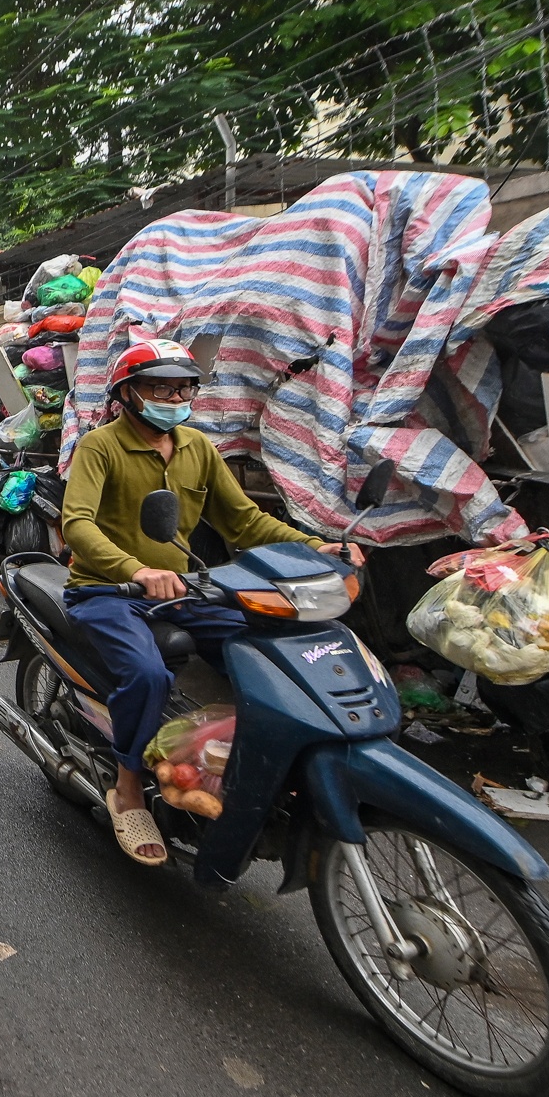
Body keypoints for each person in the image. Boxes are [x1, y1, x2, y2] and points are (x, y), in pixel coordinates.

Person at [60, 339, 363, 867]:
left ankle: (244, 762)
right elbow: (77, 524)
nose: (174, 397)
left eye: (182, 387)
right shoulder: (99, 447)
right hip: (107, 591)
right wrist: (136, 569)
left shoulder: (198, 447)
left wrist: (316, 546)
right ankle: (128, 789)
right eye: (160, 387)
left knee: (268, 650)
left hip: (183, 589)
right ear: (127, 393)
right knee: (148, 675)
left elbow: (244, 521)